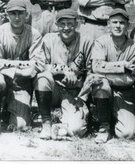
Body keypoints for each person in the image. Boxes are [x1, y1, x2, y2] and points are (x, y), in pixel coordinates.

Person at [0, 0, 45, 136]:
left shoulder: (34, 34)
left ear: (27, 15)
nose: (17, 17)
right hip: (5, 79)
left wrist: (7, 64)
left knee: (21, 125)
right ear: (7, 15)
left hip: (21, 84)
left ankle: (8, 108)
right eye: (13, 13)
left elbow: (39, 63)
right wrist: (19, 69)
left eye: (20, 13)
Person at [34, 9, 93, 140]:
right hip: (55, 88)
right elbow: (41, 65)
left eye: (70, 24)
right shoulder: (48, 39)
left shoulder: (86, 41)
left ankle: (62, 124)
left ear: (76, 24)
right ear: (56, 25)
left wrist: (83, 97)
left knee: (77, 130)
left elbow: (91, 72)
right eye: (62, 24)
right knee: (42, 78)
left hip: (75, 92)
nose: (66, 28)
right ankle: (46, 123)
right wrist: (63, 69)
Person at [87, 9, 135, 143]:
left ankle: (114, 117)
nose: (118, 26)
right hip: (104, 89)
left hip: (124, 92)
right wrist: (122, 66)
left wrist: (105, 74)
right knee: (101, 84)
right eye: (114, 22)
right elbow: (96, 67)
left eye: (122, 23)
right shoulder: (101, 42)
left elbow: (130, 79)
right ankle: (104, 126)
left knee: (127, 134)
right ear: (108, 24)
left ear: (128, 25)